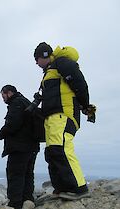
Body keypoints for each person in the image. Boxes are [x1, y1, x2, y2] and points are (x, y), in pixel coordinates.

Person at [33, 42, 93, 200]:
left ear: (45, 55)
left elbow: (80, 83)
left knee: (62, 148)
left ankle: (79, 188)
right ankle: (61, 187)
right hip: (52, 117)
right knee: (52, 152)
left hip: (63, 114)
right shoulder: (49, 72)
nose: (36, 63)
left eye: (37, 58)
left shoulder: (62, 63)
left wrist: (86, 105)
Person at [0, 85, 40, 209]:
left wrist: (0, 134)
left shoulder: (16, 103)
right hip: (32, 146)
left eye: (3, 95)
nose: (3, 98)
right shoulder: (25, 101)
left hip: (20, 147)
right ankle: (28, 200)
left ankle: (15, 205)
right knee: (27, 173)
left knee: (15, 174)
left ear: (9, 93)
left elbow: (13, 124)